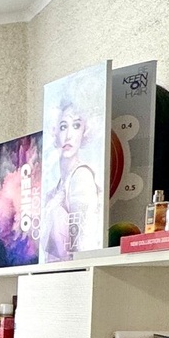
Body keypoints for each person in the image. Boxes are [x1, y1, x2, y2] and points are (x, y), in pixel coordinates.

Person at [39, 84, 101, 262]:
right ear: (55, 131)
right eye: (63, 126)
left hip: (72, 273)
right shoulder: (56, 187)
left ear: (85, 131)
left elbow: (84, 244)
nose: (68, 135)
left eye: (76, 126)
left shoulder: (81, 177)